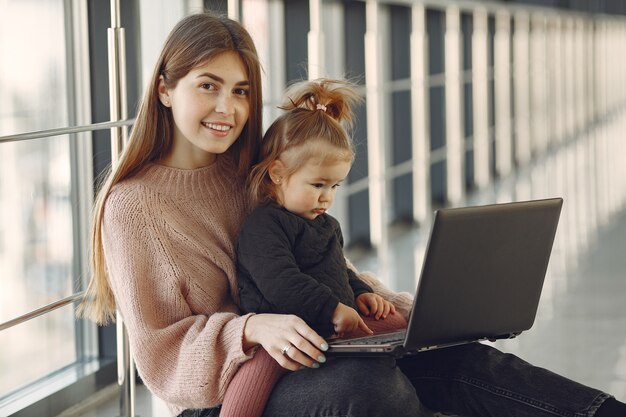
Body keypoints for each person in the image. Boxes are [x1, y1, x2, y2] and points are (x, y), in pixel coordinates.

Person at [77, 11, 626, 417]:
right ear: (164, 90)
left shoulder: (253, 168)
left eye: (241, 91)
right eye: (208, 87)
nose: (228, 109)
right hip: (229, 393)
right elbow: (160, 353)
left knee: (466, 362)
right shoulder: (132, 207)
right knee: (373, 391)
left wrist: (407, 311)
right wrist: (250, 329)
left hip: (316, 348)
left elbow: (317, 257)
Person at [219, 78, 408, 417]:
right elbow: (281, 282)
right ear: (277, 173)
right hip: (281, 339)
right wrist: (333, 309)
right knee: (252, 381)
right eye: (318, 184)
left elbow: (338, 270)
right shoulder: (265, 225)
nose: (327, 197)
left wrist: (362, 292)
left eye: (335, 185)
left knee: (400, 326)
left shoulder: (326, 225)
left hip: (328, 331)